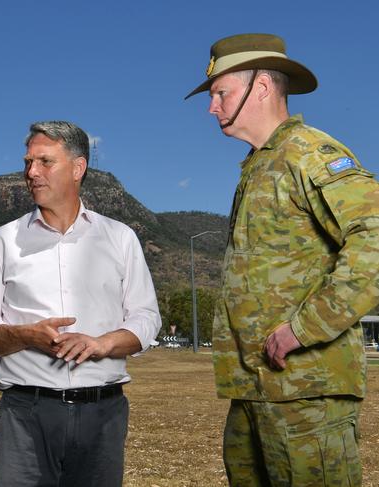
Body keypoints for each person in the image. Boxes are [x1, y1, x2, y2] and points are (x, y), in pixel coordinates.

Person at [186, 33, 379, 486]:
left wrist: (304, 329)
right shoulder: (260, 164)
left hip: (306, 390)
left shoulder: (308, 152)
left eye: (220, 93)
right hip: (257, 388)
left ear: (263, 87)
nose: (211, 107)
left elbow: (374, 237)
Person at [0, 121, 161, 486]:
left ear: (78, 168)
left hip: (102, 415)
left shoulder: (120, 238)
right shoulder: (3, 241)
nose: (31, 173)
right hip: (25, 414)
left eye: (44, 162)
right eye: (28, 162)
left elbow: (147, 319)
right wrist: (25, 336)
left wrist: (103, 344)